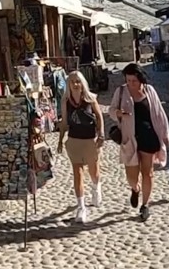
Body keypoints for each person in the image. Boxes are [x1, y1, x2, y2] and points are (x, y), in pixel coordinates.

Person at [108, 63, 169, 221]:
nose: (130, 84)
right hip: (130, 139)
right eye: (128, 80)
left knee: (148, 173)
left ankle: (145, 205)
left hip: (149, 136)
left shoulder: (149, 91)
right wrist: (118, 113)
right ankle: (135, 189)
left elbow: (159, 113)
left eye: (133, 80)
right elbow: (111, 111)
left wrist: (165, 134)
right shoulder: (121, 91)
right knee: (132, 176)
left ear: (140, 79)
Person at [56, 70, 105, 223]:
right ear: (68, 85)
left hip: (90, 140)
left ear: (82, 83)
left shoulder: (90, 99)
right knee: (77, 173)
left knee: (94, 171)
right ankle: (81, 207)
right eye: (72, 82)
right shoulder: (65, 101)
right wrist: (60, 140)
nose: (75, 84)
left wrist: (101, 134)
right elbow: (64, 122)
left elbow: (99, 116)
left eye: (78, 81)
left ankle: (96, 187)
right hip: (74, 140)